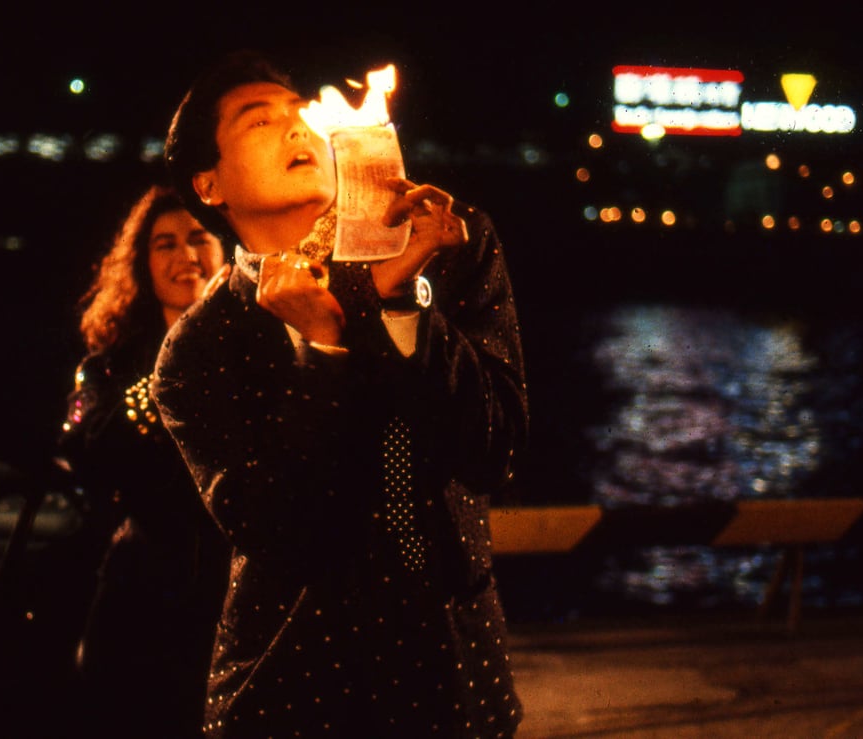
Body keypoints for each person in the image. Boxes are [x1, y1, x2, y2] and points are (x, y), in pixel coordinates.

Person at [154, 49, 529, 738]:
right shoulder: (197, 349)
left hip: (454, 675)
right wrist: (323, 349)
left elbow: (493, 450)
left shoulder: (450, 242)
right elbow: (282, 530)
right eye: (256, 120)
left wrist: (406, 307)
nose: (295, 127)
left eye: (300, 113)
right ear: (209, 184)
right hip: (295, 687)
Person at [57, 183, 231, 738]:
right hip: (144, 596)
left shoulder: (269, 344)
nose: (185, 256)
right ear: (142, 263)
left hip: (242, 590)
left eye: (199, 238)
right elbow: (85, 452)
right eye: (165, 244)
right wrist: (174, 367)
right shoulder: (108, 367)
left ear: (224, 252)